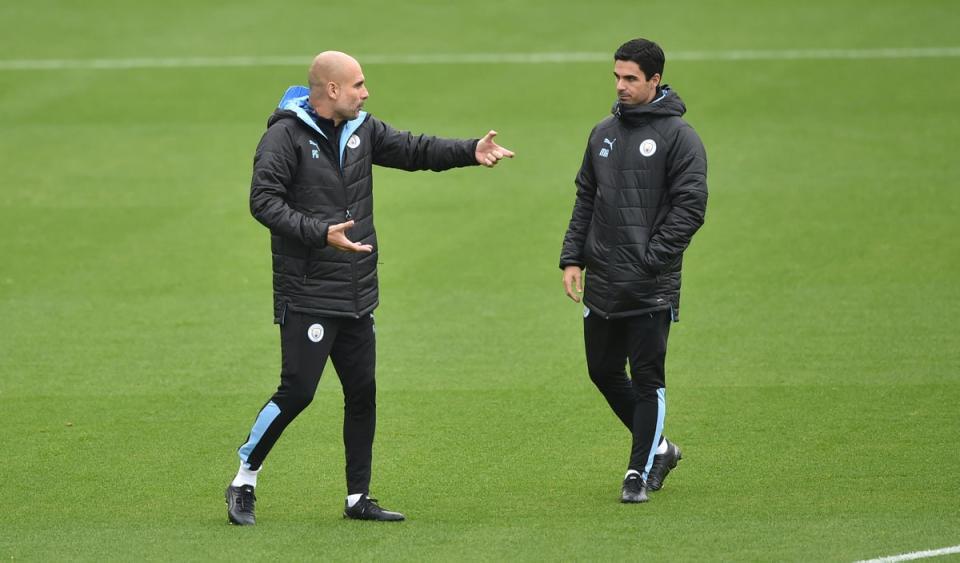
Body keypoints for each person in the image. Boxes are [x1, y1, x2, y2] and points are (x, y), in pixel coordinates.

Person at [225, 51, 514, 525]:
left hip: (358, 292)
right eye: (358, 84)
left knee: (363, 393)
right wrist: (321, 232)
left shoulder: (363, 130)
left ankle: (358, 497)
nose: (366, 92)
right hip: (309, 290)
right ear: (332, 90)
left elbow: (415, 149)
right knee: (297, 392)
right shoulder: (284, 137)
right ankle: (243, 480)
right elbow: (263, 202)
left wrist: (470, 151)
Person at [559, 38, 707, 503]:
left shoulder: (680, 138)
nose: (621, 86)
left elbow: (691, 207)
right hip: (602, 280)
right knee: (602, 371)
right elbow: (586, 197)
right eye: (617, 77)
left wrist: (652, 258)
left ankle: (638, 473)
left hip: (649, 286)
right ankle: (661, 447)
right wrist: (572, 257)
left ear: (655, 81)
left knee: (647, 378)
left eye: (631, 79)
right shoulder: (602, 133)